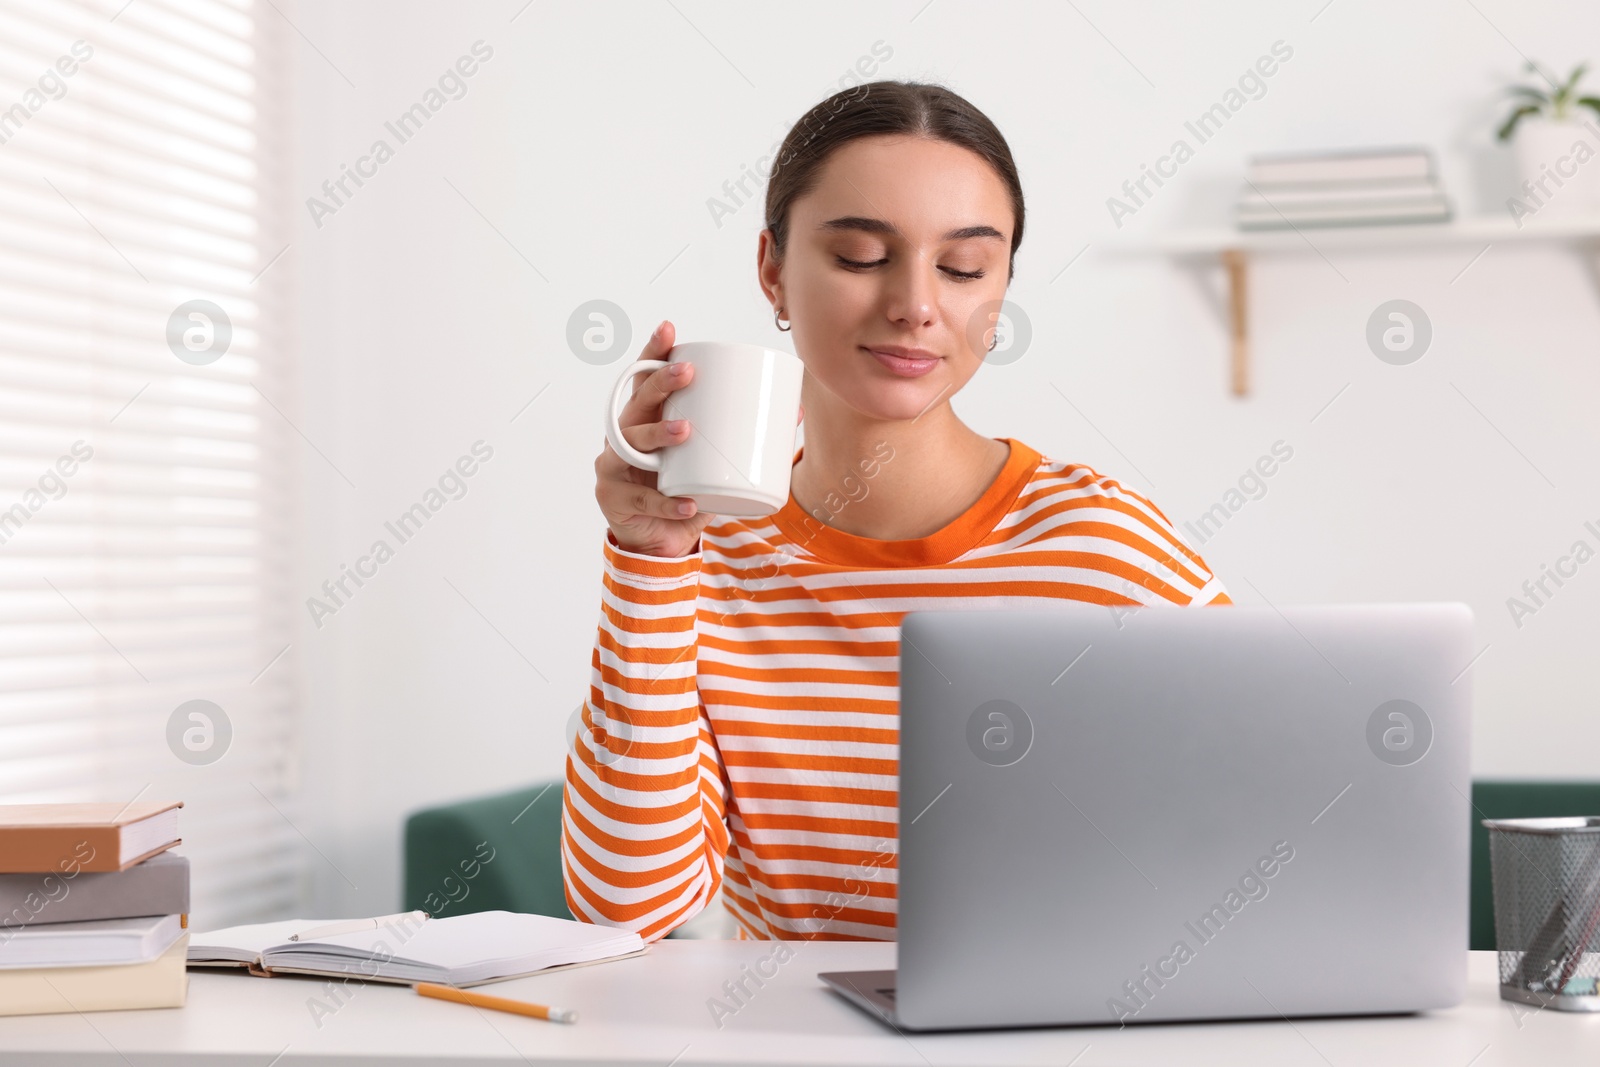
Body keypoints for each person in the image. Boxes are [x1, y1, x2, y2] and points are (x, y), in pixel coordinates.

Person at [563, 80, 1230, 943]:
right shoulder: (704, 558)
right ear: (773, 269)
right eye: (861, 256)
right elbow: (628, 909)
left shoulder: (1106, 549)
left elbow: (1247, 849)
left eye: (963, 268)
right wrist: (649, 561)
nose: (916, 304)